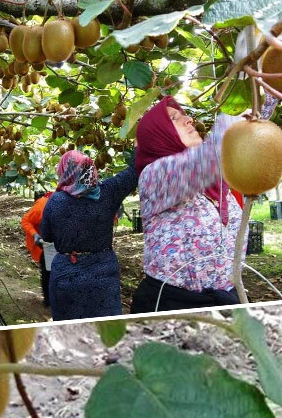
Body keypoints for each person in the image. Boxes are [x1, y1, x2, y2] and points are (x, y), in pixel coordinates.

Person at [129, 97, 243, 313]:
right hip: (172, 305)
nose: (189, 120)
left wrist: (264, 80)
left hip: (226, 300)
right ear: (159, 135)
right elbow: (213, 153)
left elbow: (248, 132)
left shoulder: (217, 185)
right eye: (174, 118)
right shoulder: (154, 177)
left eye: (185, 115)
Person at [38, 151, 139, 320]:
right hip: (103, 274)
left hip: (66, 275)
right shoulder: (108, 192)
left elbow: (47, 236)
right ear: (91, 169)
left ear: (64, 171)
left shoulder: (55, 201)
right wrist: (140, 140)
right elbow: (133, 172)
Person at [20, 191, 57, 308]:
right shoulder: (41, 206)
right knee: (48, 272)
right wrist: (35, 235)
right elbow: (26, 221)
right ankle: (49, 301)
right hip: (47, 245)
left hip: (61, 243)